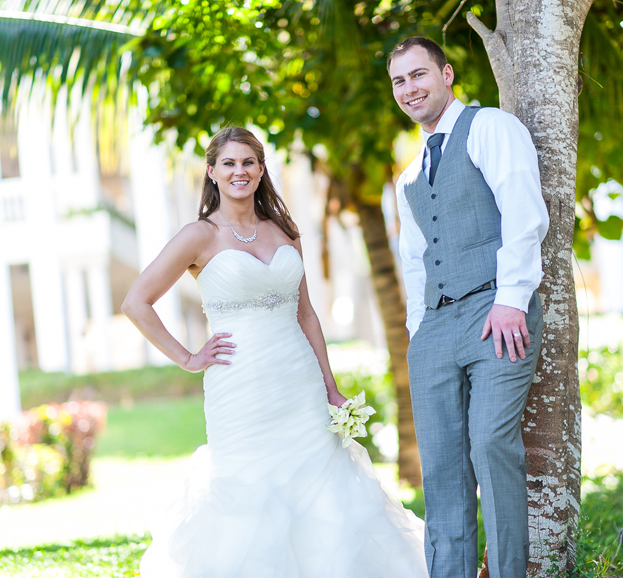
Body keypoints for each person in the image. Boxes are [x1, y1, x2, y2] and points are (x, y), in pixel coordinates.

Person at [122, 126, 428, 578]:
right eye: (228, 163)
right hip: (238, 388)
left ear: (262, 169)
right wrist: (187, 357)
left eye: (248, 162)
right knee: (248, 492)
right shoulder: (198, 236)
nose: (239, 171)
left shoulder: (284, 231)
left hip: (298, 383)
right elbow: (136, 302)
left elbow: (306, 315)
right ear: (212, 172)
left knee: (322, 489)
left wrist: (330, 387)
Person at [388, 37, 549, 578]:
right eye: (399, 81)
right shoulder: (407, 177)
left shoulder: (490, 128)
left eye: (418, 75)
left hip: (496, 314)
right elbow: (414, 261)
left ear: (447, 73)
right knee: (441, 468)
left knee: (490, 444)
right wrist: (419, 332)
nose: (409, 89)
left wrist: (511, 301)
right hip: (435, 328)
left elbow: (524, 213)